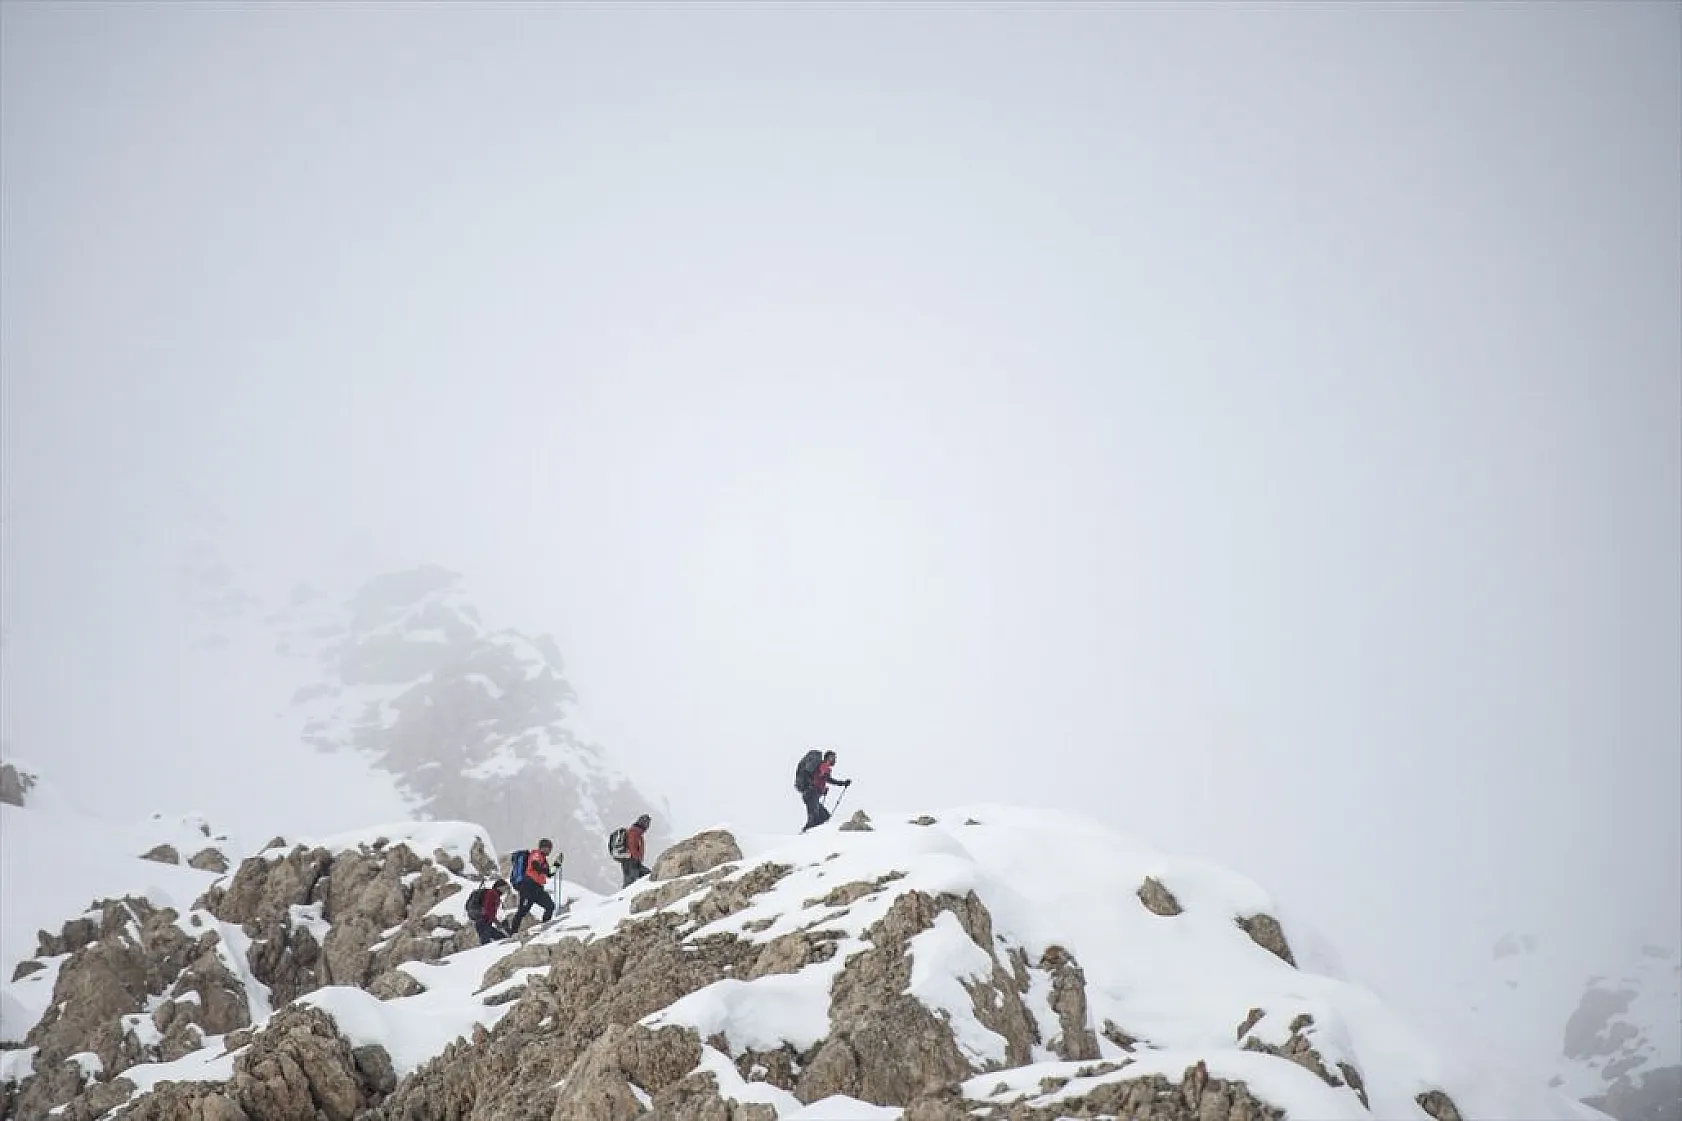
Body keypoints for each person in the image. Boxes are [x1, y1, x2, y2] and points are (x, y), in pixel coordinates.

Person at [509, 839, 558, 933]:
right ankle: (512, 932)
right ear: (542, 848)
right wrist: (544, 869)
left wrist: (556, 865)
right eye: (547, 848)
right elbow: (535, 865)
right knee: (522, 910)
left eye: (550, 848)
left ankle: (545, 928)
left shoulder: (543, 859)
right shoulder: (536, 854)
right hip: (528, 887)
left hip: (538, 888)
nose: (549, 850)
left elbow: (549, 873)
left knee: (550, 906)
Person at [802, 750, 852, 833]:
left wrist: (822, 789)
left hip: (811, 794)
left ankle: (810, 834)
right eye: (834, 758)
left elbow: (821, 779)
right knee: (814, 818)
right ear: (829, 758)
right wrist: (843, 783)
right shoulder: (824, 766)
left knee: (824, 816)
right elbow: (826, 779)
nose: (835, 760)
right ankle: (804, 835)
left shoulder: (823, 767)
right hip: (812, 794)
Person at [613, 814, 652, 887]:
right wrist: (636, 858)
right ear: (643, 823)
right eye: (647, 823)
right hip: (630, 861)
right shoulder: (634, 832)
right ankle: (624, 897)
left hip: (632, 860)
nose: (648, 826)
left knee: (647, 875)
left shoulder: (638, 832)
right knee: (630, 882)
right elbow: (632, 846)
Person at [472, 879, 508, 944]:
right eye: (505, 888)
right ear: (499, 887)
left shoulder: (494, 894)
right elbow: (488, 908)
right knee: (490, 939)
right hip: (483, 920)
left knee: (487, 940)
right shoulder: (492, 893)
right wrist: (496, 922)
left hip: (482, 920)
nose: (506, 890)